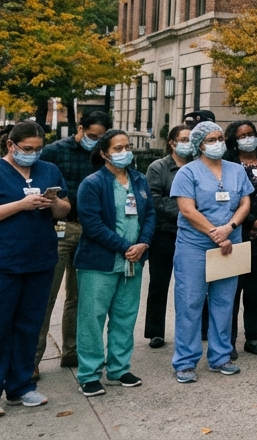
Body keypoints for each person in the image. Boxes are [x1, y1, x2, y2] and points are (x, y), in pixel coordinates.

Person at [170, 121, 253, 383]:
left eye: (220, 138)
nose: (218, 143)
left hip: (230, 242)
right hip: (195, 245)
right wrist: (213, 232)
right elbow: (187, 210)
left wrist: (229, 228)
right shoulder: (188, 172)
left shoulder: (236, 170)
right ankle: (185, 361)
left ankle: (220, 357)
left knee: (224, 302)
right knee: (190, 302)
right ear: (199, 145)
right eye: (211, 140)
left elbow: (245, 202)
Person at [73, 129, 154, 397]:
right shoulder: (93, 184)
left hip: (134, 261)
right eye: (118, 148)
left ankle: (119, 369)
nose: (125, 152)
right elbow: (92, 225)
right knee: (92, 319)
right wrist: (125, 247)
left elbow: (150, 214)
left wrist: (143, 244)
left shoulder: (139, 180)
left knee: (125, 316)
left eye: (127, 146)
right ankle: (89, 373)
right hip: (100, 262)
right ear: (104, 153)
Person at [1, 121, 70, 411]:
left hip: (40, 259)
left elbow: (66, 208)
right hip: (6, 261)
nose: (33, 154)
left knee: (29, 325)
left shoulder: (49, 170)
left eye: (38, 149)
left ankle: (21, 387)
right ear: (11, 146)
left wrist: (53, 203)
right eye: (27, 149)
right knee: (2, 325)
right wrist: (21, 205)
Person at [35, 109, 108, 373]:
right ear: (79, 129)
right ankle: (32, 360)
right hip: (59, 229)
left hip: (90, 230)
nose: (94, 141)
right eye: (91, 136)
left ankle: (72, 351)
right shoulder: (54, 152)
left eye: (100, 138)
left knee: (80, 297)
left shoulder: (102, 154)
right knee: (46, 295)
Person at [225, 121, 257, 357]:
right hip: (237, 232)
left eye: (251, 134)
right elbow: (228, 199)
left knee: (255, 288)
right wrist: (251, 220)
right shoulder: (227, 166)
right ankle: (228, 340)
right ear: (233, 142)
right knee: (232, 289)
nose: (248, 138)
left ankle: (252, 337)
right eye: (242, 135)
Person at [144, 125, 192, 349]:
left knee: (194, 283)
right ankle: (156, 331)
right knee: (159, 283)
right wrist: (187, 210)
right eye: (183, 139)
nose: (187, 143)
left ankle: (198, 328)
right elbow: (155, 200)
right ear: (172, 142)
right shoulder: (158, 167)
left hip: (193, 233)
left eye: (191, 139)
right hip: (164, 232)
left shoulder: (198, 166)